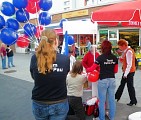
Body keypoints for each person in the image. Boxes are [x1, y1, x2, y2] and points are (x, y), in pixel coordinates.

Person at [30, 29, 70, 120]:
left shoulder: (34, 58)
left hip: (39, 101)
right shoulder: (64, 59)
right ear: (55, 41)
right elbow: (65, 75)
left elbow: (34, 77)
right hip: (59, 102)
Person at [87, 40, 118, 120]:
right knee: (112, 100)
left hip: (103, 80)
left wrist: (86, 69)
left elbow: (92, 69)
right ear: (111, 47)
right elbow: (116, 71)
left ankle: (101, 118)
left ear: (102, 48)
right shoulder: (114, 58)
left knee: (102, 101)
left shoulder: (100, 58)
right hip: (112, 80)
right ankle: (112, 118)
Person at [115, 39, 137, 106]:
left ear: (124, 45)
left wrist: (125, 74)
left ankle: (133, 101)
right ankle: (116, 97)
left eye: (120, 46)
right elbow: (123, 60)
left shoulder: (128, 52)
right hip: (128, 71)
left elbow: (129, 64)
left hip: (129, 72)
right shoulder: (126, 51)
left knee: (129, 86)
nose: (119, 48)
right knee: (123, 85)